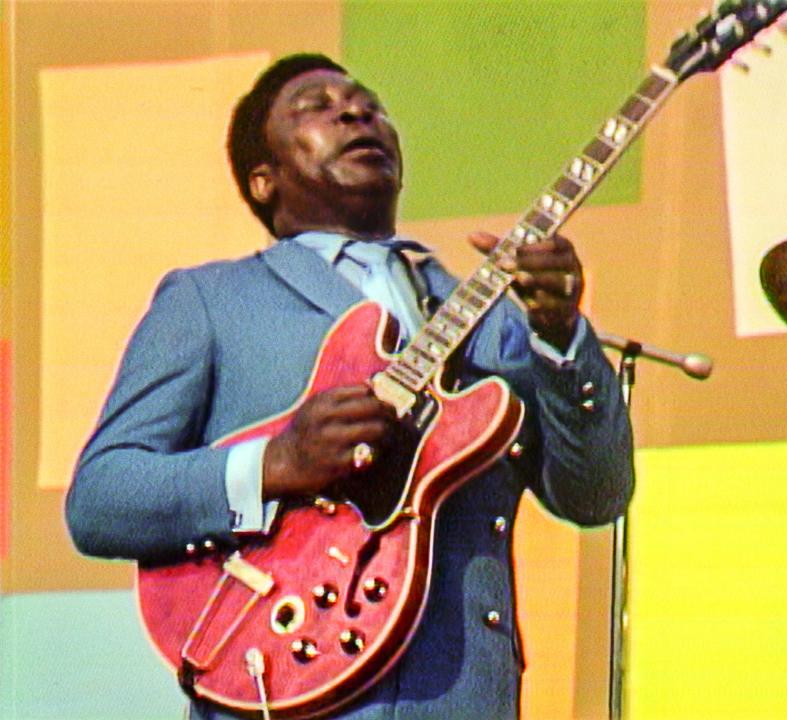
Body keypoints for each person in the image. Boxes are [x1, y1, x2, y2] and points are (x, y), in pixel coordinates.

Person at [66, 53, 634, 720]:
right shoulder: (210, 300)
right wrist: (275, 462)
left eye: (368, 103)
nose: (355, 112)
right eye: (315, 107)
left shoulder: (497, 318)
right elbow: (102, 498)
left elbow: (596, 496)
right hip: (276, 682)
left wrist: (562, 335)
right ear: (262, 179)